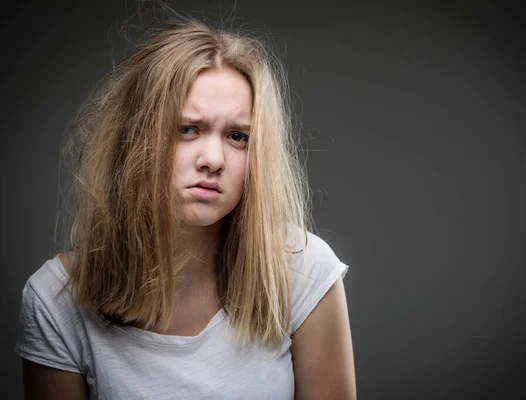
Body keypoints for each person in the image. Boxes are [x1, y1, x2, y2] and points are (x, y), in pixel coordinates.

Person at [14, 14, 355, 400]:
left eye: (238, 136)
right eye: (186, 129)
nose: (213, 159)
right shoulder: (56, 299)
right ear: (133, 140)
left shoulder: (305, 271)